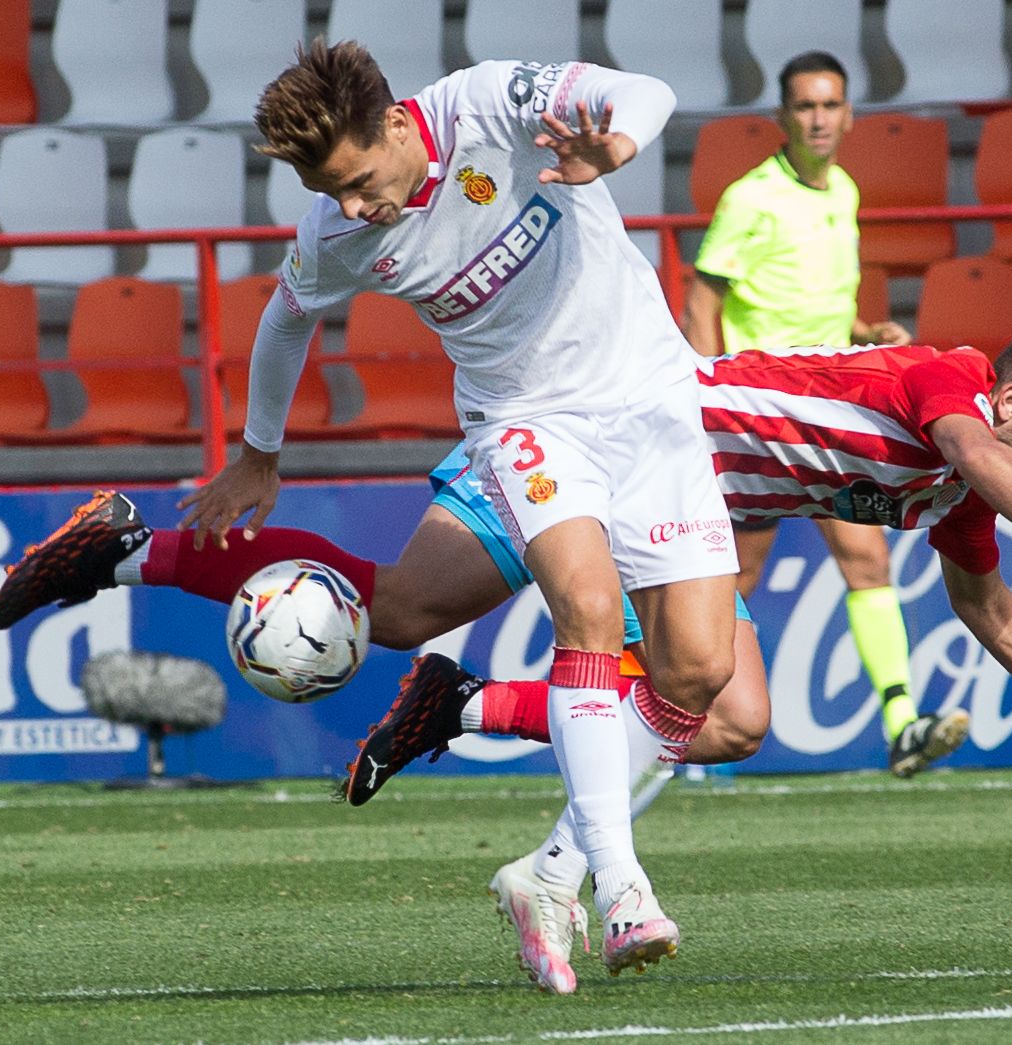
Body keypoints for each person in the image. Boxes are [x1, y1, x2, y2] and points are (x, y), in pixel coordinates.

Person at [0, 320, 1012, 994]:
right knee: (410, 612)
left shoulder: (958, 484)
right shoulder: (939, 380)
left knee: (722, 713)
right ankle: (141, 554)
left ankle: (503, 787)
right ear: (1004, 401)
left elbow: (987, 609)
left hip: (666, 514)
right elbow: (982, 462)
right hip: (604, 446)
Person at [168, 39, 744, 974]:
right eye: (331, 192)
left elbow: (650, 86)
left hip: (652, 398)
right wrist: (257, 456)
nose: (352, 208)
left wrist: (621, 146)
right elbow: (284, 318)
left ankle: (547, 875)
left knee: (700, 673)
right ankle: (625, 886)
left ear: (398, 124)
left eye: (357, 180)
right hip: (526, 422)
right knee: (590, 611)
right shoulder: (336, 231)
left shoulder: (488, 105)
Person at [682, 51, 933, 770]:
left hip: (832, 410)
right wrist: (710, 401)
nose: (819, 118)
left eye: (830, 105)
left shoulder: (844, 191)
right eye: (806, 106)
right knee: (730, 578)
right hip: (760, 418)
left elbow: (821, 301)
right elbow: (704, 304)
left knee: (866, 558)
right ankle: (689, 728)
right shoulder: (750, 197)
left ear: (849, 114)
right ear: (783, 117)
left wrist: (865, 332)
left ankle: (903, 721)